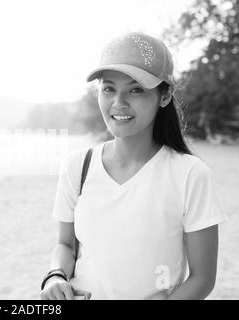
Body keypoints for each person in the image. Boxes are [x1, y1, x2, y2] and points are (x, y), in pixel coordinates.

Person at [39, 32, 228, 300]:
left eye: (136, 89)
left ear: (164, 95)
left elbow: (202, 278)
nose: (119, 103)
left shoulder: (190, 174)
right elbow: (65, 244)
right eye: (108, 89)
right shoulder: (77, 166)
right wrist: (55, 276)